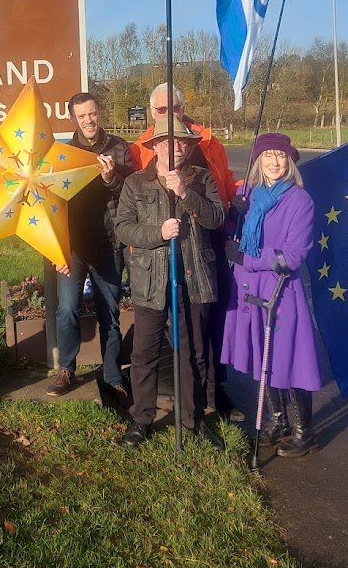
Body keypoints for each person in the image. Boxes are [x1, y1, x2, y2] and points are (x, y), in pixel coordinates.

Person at [133, 82, 243, 422]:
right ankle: (148, 412)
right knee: (155, 340)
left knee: (206, 330)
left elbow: (222, 191)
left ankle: (213, 393)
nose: (169, 115)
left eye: (174, 109)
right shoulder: (139, 150)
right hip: (157, 256)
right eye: (161, 110)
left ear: (183, 108)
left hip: (205, 248)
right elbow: (130, 201)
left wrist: (239, 194)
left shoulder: (209, 145)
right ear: (153, 114)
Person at [114, 116, 225, 447]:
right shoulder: (136, 183)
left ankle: (193, 418)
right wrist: (158, 233)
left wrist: (185, 193)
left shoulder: (201, 178)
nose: (174, 147)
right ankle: (141, 418)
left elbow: (216, 217)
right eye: (167, 141)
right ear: (155, 146)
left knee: (194, 353)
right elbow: (122, 227)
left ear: (188, 147)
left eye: (181, 142)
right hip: (152, 281)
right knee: (144, 353)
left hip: (192, 281)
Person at [222, 132, 320, 457]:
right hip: (250, 291)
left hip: (280, 291)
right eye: (268, 156)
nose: (275, 162)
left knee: (289, 359)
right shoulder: (251, 195)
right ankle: (278, 422)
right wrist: (233, 214)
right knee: (265, 360)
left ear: (290, 161)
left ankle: (305, 431)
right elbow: (235, 233)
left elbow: (292, 256)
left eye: (281, 156)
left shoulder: (300, 201)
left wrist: (246, 259)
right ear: (259, 161)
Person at [47, 92, 134, 408]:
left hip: (109, 242)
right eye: (82, 115)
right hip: (73, 246)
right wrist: (56, 248)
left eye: (93, 113)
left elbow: (130, 193)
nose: (89, 120)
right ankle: (66, 369)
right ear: (74, 118)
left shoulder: (119, 148)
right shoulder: (63, 152)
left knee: (109, 312)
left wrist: (111, 178)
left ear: (100, 113)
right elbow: (50, 200)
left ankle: (113, 376)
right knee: (66, 309)